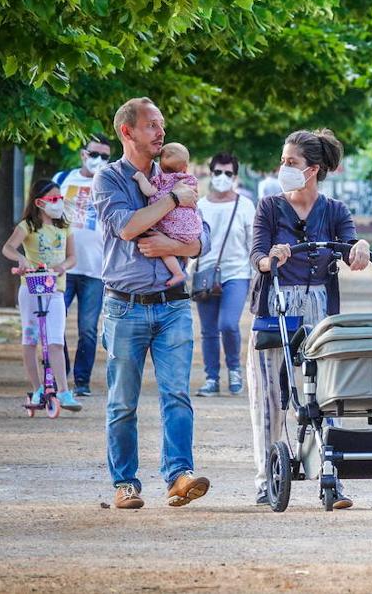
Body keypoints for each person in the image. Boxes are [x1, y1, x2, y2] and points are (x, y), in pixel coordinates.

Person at [94, 97, 212, 510]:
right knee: (122, 400)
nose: (161, 132)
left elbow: (203, 238)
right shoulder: (109, 179)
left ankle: (179, 475)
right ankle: (125, 483)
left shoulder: (176, 174)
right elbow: (127, 227)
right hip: (124, 306)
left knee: (176, 394)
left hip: (174, 304)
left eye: (162, 124)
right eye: (151, 126)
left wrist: (173, 243)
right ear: (127, 132)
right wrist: (174, 201)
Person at [249, 128, 371, 508]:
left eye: (291, 162)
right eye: (283, 161)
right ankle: (266, 475)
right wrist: (272, 259)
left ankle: (327, 472)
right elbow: (256, 254)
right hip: (276, 305)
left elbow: (351, 247)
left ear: (313, 169)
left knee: (324, 395)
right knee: (269, 397)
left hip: (319, 307)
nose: (282, 167)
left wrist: (361, 248)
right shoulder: (269, 207)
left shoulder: (334, 211)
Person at [0, 179, 82, 413]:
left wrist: (61, 267)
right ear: (39, 202)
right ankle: (37, 388)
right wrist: (21, 259)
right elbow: (8, 248)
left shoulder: (64, 226)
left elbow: (72, 257)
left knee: (56, 340)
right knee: (31, 338)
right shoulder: (28, 226)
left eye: (60, 199)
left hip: (55, 289)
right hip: (31, 289)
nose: (58, 203)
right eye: (53, 199)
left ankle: (64, 391)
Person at [192, 152, 257, 397]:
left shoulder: (245, 205)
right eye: (217, 172)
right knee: (208, 330)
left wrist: (255, 276)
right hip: (206, 273)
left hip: (236, 273)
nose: (222, 177)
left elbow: (253, 243)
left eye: (227, 173)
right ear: (210, 173)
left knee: (228, 324)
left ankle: (234, 369)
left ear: (235, 176)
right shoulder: (200, 206)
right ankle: (211, 378)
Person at [52, 133, 112, 397]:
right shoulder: (62, 180)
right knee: (57, 323)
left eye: (105, 156)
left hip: (95, 270)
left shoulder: (110, 184)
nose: (98, 160)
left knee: (88, 329)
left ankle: (82, 381)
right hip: (62, 267)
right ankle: (59, 373)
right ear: (83, 154)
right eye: (94, 154)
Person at [130, 143, 201, 288]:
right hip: (192, 228)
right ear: (185, 167)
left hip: (171, 228)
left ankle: (178, 273)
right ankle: (184, 261)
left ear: (160, 166)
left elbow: (149, 191)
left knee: (162, 247)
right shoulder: (189, 180)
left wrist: (140, 178)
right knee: (179, 244)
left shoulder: (160, 180)